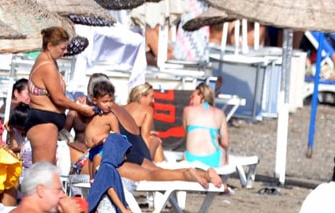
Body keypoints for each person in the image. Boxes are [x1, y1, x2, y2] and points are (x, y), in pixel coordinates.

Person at [84, 78, 222, 188]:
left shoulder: (100, 115)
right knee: (156, 170)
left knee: (150, 175)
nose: (153, 101)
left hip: (115, 158)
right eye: (151, 97)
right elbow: (138, 137)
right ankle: (202, 174)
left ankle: (187, 175)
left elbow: (90, 143)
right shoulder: (119, 111)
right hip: (134, 150)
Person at [27, 27, 94, 168]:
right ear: (50, 46)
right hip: (43, 122)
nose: (65, 52)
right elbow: (58, 99)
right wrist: (81, 108)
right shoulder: (47, 66)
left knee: (48, 171)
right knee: (42, 172)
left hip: (47, 121)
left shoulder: (50, 61)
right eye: (62, 48)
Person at [183, 83, 229, 168]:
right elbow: (225, 143)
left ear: (201, 96)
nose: (191, 101)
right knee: (223, 151)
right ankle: (222, 179)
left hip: (191, 159)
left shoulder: (187, 110)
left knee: (184, 155)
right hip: (213, 160)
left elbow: (187, 134)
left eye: (192, 97)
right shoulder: (219, 113)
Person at [124, 83, 165, 162]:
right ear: (141, 96)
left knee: (153, 138)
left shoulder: (121, 108)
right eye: (151, 97)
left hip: (121, 150)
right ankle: (158, 168)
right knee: (156, 140)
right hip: (135, 152)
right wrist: (146, 159)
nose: (153, 101)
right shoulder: (147, 110)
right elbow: (145, 136)